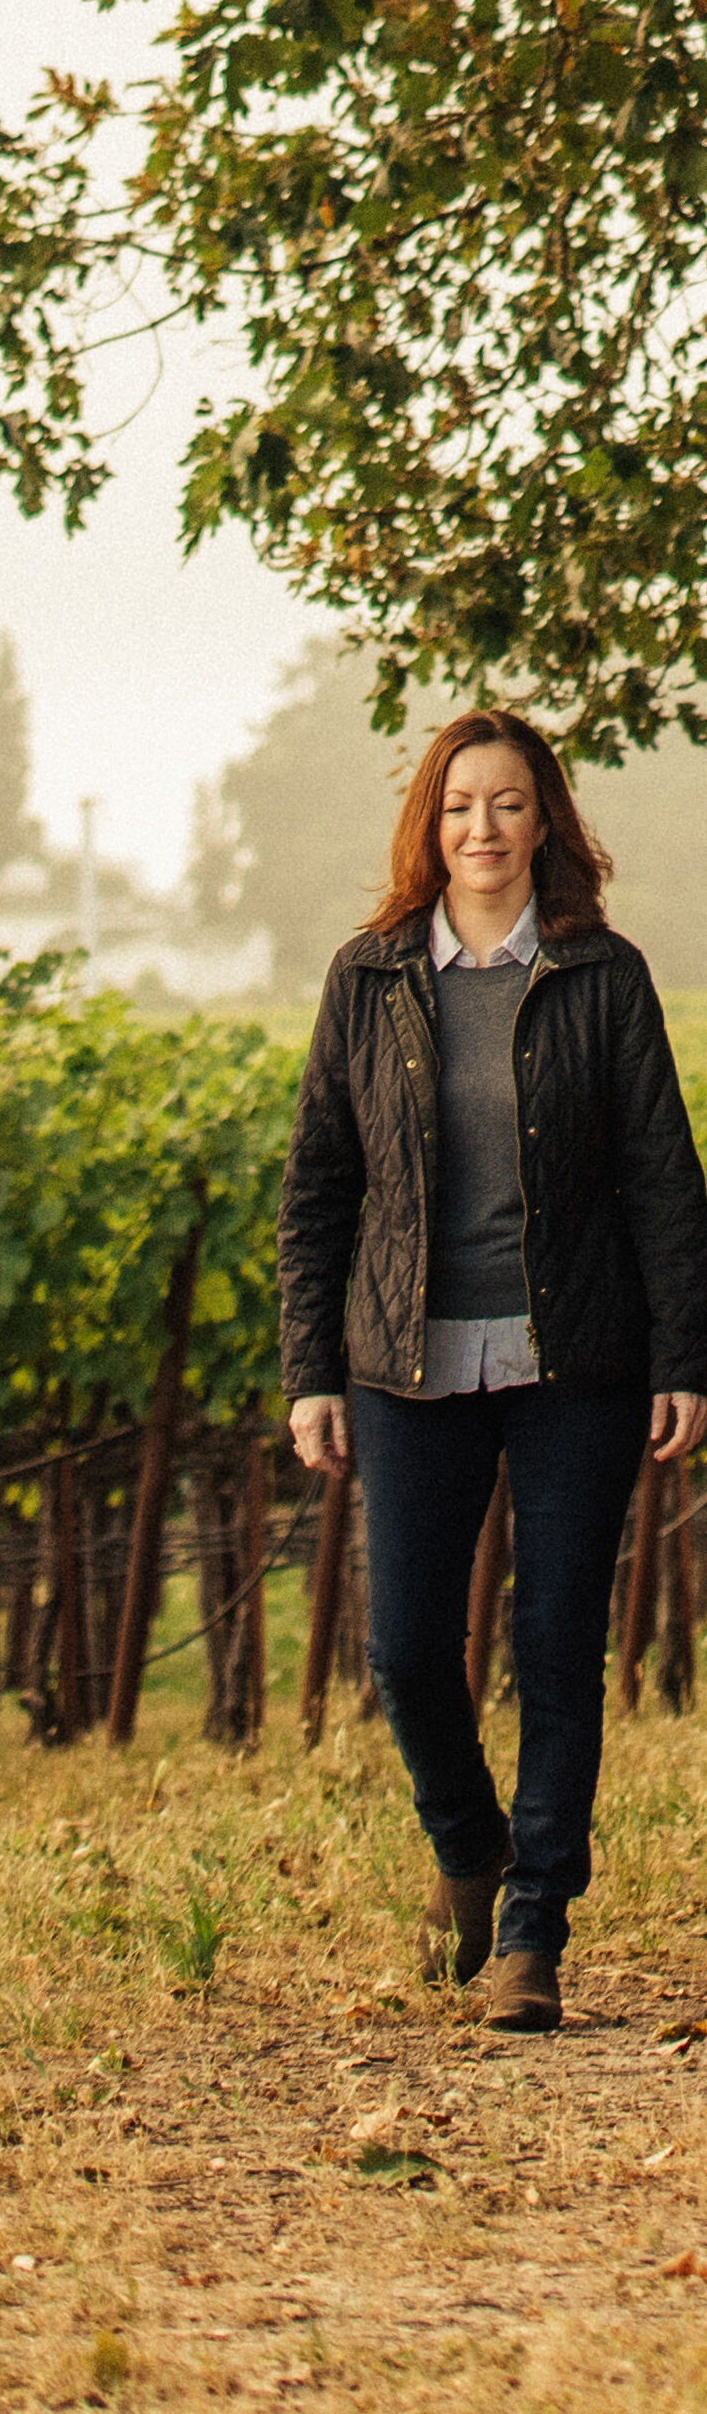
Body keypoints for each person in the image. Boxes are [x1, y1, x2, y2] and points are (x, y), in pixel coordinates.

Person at [279, 706, 707, 2032]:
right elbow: (319, 1186)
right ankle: (468, 1853)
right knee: (407, 1647)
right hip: (402, 1361)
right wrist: (309, 1370)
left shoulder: (601, 976)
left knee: (554, 1644)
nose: (482, 828)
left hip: (574, 1357)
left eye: (508, 804)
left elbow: (657, 1180)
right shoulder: (367, 979)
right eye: (460, 806)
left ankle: (531, 1930)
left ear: (544, 825)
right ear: (429, 825)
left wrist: (682, 1356)